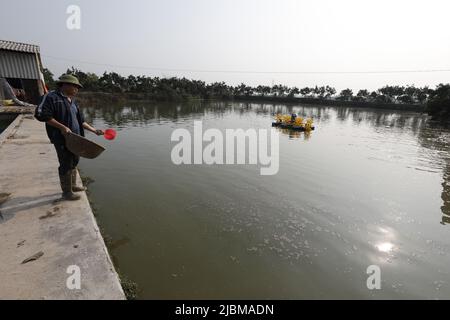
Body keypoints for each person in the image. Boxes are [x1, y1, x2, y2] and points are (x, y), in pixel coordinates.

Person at [35, 74, 104, 201]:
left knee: (74, 161)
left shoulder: (73, 102)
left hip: (76, 138)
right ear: (65, 85)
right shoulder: (51, 97)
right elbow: (41, 114)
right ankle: (67, 192)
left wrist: (94, 131)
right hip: (61, 138)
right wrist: (62, 127)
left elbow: (81, 121)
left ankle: (73, 186)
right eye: (75, 86)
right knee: (66, 163)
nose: (77, 89)